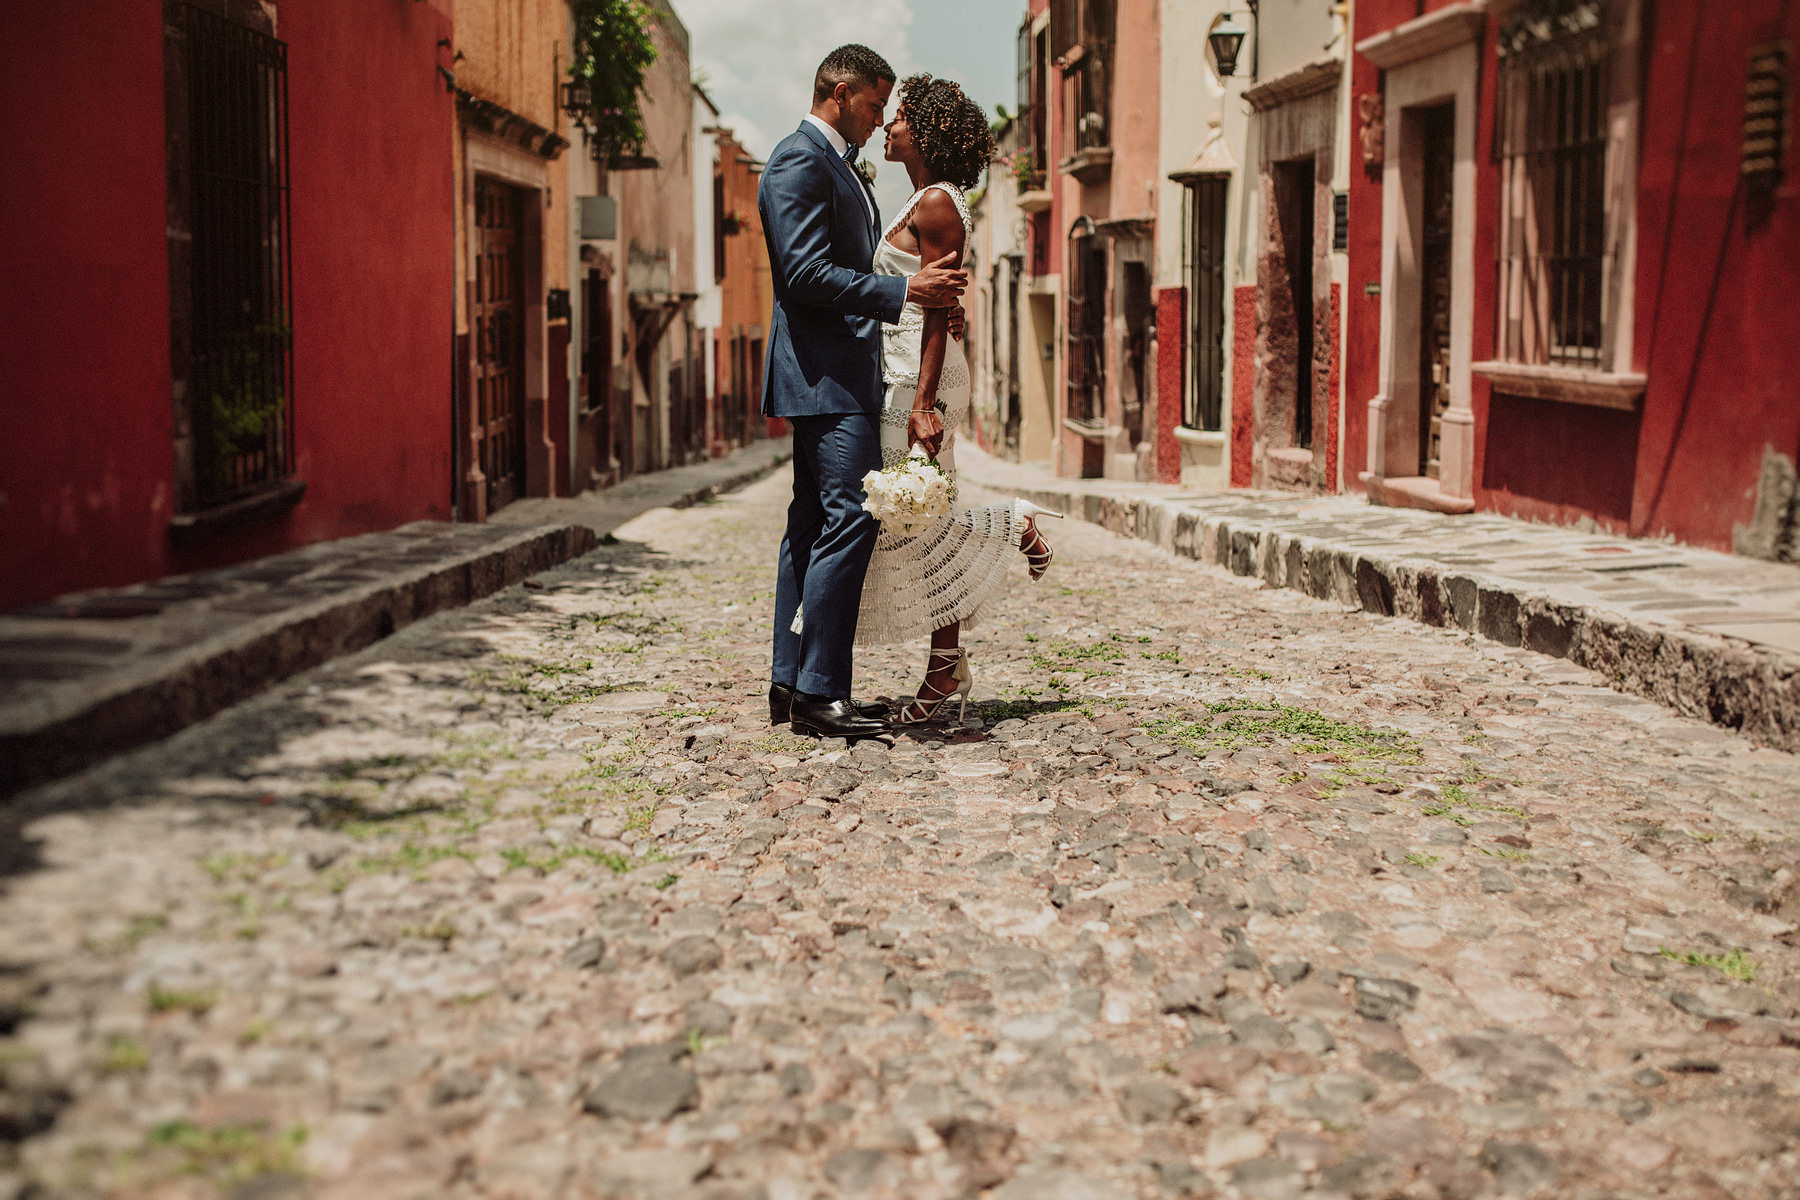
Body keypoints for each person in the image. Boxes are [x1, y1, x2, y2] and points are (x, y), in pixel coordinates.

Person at [760, 45, 970, 739]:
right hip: (825, 374)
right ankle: (821, 693)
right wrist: (903, 290)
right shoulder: (800, 158)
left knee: (811, 524)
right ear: (842, 93)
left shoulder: (836, 167)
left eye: (890, 111)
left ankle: (792, 685)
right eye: (876, 105)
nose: (881, 121)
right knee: (851, 515)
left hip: (843, 371)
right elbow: (801, 274)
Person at [855, 74, 1061, 724]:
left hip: (920, 379)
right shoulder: (919, 200)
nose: (889, 127)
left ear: (927, 130)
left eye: (901, 117)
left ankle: (1009, 530)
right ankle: (946, 669)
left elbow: (942, 310)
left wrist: (923, 405)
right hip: (902, 372)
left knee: (919, 520)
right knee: (915, 522)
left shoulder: (938, 204)